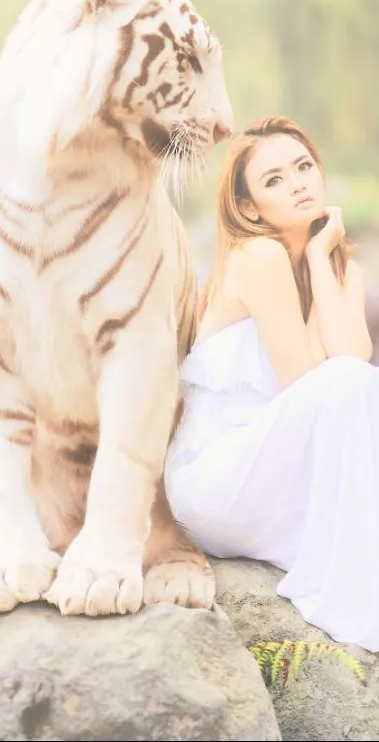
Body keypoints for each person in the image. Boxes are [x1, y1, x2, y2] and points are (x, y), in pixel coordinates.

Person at [164, 116, 379, 652]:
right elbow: (311, 382)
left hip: (274, 469)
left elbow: (352, 359)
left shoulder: (338, 268)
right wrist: (308, 256)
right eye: (275, 179)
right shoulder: (257, 257)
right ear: (251, 207)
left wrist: (317, 259)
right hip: (216, 477)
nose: (299, 183)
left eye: (304, 167)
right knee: (352, 384)